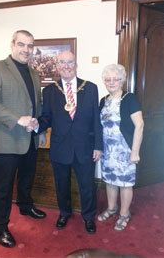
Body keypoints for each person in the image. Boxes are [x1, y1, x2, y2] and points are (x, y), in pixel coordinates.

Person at [0, 30, 46, 248]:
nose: (26, 49)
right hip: (7, 141)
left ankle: (26, 206)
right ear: (12, 45)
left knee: (27, 180)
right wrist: (18, 119)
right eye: (21, 44)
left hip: (30, 140)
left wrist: (38, 127)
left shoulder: (34, 73)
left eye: (30, 46)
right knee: (3, 187)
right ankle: (0, 226)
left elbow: (36, 105)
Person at [37, 51, 103, 234]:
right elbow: (47, 118)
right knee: (61, 184)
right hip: (60, 146)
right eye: (62, 62)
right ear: (57, 66)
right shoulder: (49, 91)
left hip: (85, 147)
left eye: (70, 62)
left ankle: (88, 217)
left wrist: (98, 145)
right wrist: (38, 126)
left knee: (87, 185)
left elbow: (96, 120)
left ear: (76, 65)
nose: (66, 66)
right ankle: (64, 213)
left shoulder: (90, 88)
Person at [98, 64, 144, 231]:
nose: (111, 82)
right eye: (107, 79)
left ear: (122, 80)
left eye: (115, 79)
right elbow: (99, 126)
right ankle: (111, 208)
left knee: (125, 183)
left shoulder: (129, 99)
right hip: (108, 150)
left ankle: (124, 213)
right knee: (110, 181)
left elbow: (139, 126)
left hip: (125, 150)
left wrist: (135, 152)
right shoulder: (103, 100)